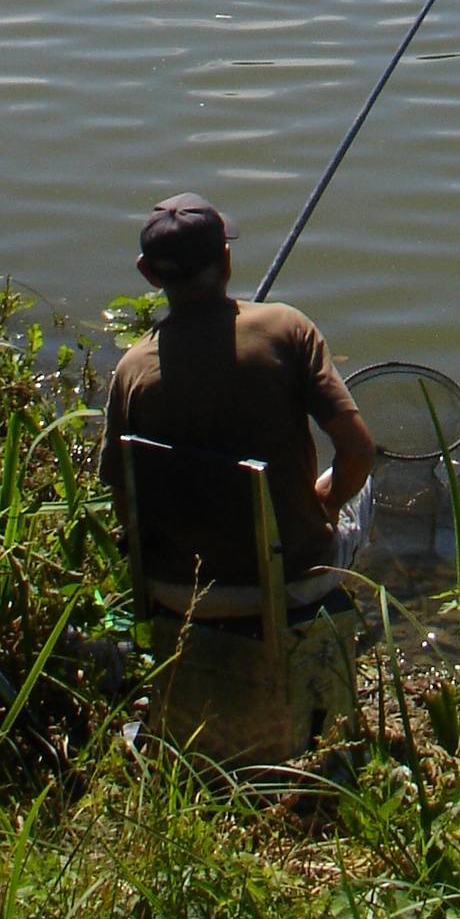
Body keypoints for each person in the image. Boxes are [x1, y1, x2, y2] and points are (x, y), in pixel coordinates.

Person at [99, 193, 376, 609]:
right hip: (292, 582)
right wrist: (329, 503)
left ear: (148, 274)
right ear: (226, 262)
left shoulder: (131, 368)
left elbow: (124, 499)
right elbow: (357, 451)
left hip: (177, 590)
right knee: (364, 483)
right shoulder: (286, 327)